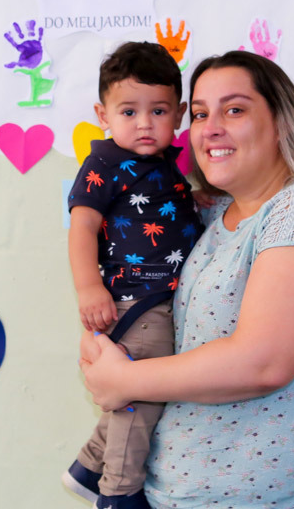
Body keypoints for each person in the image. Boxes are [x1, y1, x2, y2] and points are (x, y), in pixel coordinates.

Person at [80, 50, 294, 509]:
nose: (211, 128)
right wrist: (108, 334)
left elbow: (263, 363)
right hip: (169, 492)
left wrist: (124, 379)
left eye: (234, 110)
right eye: (200, 114)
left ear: (281, 123)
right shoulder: (211, 215)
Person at [63, 42, 205, 509]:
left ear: (179, 114)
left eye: (158, 111)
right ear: (103, 115)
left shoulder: (165, 164)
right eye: (129, 111)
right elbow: (82, 227)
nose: (144, 123)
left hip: (160, 300)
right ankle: (119, 493)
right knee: (139, 399)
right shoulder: (104, 164)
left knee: (138, 390)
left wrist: (194, 200)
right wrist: (89, 287)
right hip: (136, 302)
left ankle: (88, 469)